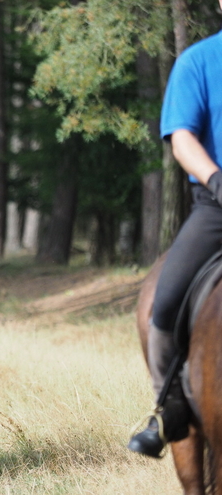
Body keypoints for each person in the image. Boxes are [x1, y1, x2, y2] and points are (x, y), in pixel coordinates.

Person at [128, 11, 222, 458]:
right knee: (163, 303)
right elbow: (182, 138)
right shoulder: (198, 61)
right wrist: (216, 180)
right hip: (217, 204)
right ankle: (171, 409)